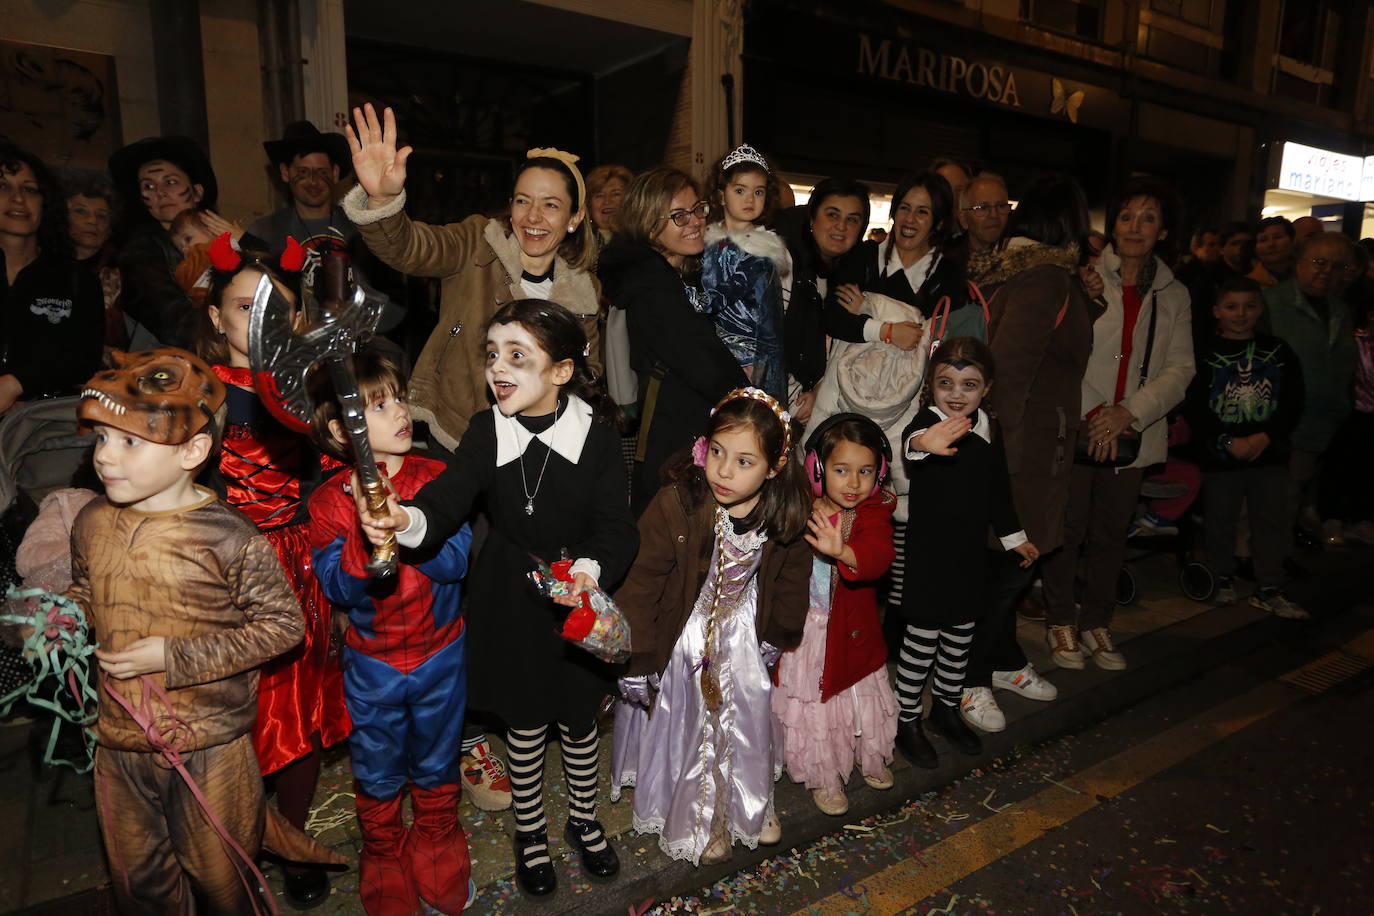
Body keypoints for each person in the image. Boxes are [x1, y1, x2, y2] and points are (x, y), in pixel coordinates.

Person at [354, 299, 638, 899]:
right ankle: (530, 831)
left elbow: (618, 527)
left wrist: (590, 570)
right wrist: (403, 518)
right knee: (526, 723)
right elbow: (448, 498)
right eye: (492, 355)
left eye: (518, 356)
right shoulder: (488, 430)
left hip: (575, 601)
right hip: (510, 598)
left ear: (561, 371)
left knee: (580, 719)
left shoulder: (600, 436)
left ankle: (584, 821)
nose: (498, 369)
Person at [69, 347, 343, 913]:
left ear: (193, 451)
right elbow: (84, 592)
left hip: (209, 747)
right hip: (118, 743)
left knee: (224, 882)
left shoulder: (228, 537)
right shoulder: (92, 520)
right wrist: (59, 621)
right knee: (139, 887)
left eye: (129, 442)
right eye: (101, 439)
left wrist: (175, 656)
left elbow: (281, 628)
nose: (104, 457)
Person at [196, 246, 351, 908]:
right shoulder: (193, 390)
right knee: (226, 713)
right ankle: (230, 836)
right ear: (214, 316)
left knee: (298, 708)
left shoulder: (307, 391)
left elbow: (330, 480)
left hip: (294, 562)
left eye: (276, 311)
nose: (259, 322)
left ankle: (289, 834)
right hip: (218, 568)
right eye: (243, 306)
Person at [611, 387, 811, 864]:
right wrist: (638, 656)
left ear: (775, 466)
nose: (723, 470)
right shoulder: (678, 502)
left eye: (745, 461)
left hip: (741, 627)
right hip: (685, 630)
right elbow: (641, 582)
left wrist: (777, 635)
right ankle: (699, 815)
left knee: (748, 712)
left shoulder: (783, 512)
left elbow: (792, 580)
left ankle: (748, 802)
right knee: (692, 723)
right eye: (718, 452)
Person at [308, 350, 476, 914]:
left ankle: (436, 837)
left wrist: (403, 521)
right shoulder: (331, 499)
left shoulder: (439, 478)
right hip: (372, 664)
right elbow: (338, 587)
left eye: (398, 398)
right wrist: (363, 532)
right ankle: (382, 850)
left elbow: (455, 562)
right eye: (379, 406)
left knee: (437, 755)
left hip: (440, 654)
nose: (401, 412)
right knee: (377, 765)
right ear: (341, 429)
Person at [342, 103, 601, 452]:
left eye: (551, 205)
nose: (533, 216)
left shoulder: (583, 292)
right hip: (458, 433)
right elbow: (408, 248)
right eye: (523, 201)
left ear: (575, 217)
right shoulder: (475, 243)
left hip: (540, 445)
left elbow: (588, 372)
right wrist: (382, 200)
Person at [960, 174, 1095, 732]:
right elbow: (1008, 374)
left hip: (1028, 447)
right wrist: (995, 462)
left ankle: (1004, 659)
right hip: (1024, 453)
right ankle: (967, 678)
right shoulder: (1044, 279)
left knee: (1010, 566)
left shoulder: (1025, 275)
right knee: (1011, 566)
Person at [1043, 177, 1194, 672]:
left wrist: (1127, 413)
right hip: (1081, 423)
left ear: (1163, 231)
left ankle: (1096, 622)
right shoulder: (1082, 276)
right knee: (1066, 527)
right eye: (1127, 216)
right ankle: (1061, 618)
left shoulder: (1175, 293)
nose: (1135, 227)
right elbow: (1063, 355)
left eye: (1148, 218)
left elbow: (1182, 368)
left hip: (1136, 432)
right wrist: (1095, 415)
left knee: (1112, 532)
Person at [895, 338, 1039, 764]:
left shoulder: (987, 430)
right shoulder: (929, 422)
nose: (956, 394)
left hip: (969, 557)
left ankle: (945, 708)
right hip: (927, 557)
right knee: (921, 640)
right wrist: (925, 444)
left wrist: (1016, 538)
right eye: (946, 383)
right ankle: (906, 719)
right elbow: (911, 442)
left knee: (959, 638)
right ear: (932, 385)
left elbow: (1000, 494)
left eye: (969, 384)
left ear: (987, 388)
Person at [597, 167, 748, 513]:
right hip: (674, 441)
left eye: (697, 209)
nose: (694, 221)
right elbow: (705, 364)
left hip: (691, 434)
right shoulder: (653, 288)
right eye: (678, 216)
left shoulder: (685, 273)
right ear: (650, 225)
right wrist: (752, 402)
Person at [773, 412, 897, 816]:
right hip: (806, 630)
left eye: (865, 471)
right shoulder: (800, 506)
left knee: (859, 699)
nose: (854, 482)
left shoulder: (873, 512)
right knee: (815, 705)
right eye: (841, 470)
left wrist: (843, 550)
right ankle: (824, 773)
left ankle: (868, 754)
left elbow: (878, 558)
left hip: (850, 630)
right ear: (816, 468)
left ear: (878, 476)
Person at [1185, 276, 1306, 617]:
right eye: (1231, 306)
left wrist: (1265, 436)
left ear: (1261, 308)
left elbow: (1293, 401)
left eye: (1250, 306)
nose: (1240, 314)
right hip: (1220, 456)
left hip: (1269, 454)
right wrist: (1226, 440)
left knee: (1271, 519)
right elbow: (1195, 406)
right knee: (1220, 518)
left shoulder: (1279, 351)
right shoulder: (1203, 353)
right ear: (1216, 310)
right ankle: (1221, 576)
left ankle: (1269, 585)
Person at [1263, 231, 1358, 546]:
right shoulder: (1271, 303)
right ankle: (1262, 562)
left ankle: (1276, 557)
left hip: (1323, 425)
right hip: (1280, 425)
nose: (1326, 271)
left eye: (1336, 265)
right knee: (1275, 498)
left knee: (1296, 496)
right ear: (1298, 262)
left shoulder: (1339, 310)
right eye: (1318, 261)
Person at [0, 143, 103, 414]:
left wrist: (16, 383)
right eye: (4, 187)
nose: (18, 199)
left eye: (29, 189)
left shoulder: (77, 279)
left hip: (44, 429)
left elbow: (84, 358)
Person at [108, 135, 238, 347]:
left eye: (171, 182)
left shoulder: (228, 237)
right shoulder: (140, 252)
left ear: (197, 191)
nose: (160, 193)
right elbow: (174, 321)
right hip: (172, 369)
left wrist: (248, 244)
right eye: (148, 187)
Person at [773, 177, 875, 425]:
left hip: (810, 405)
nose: (841, 227)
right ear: (811, 218)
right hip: (776, 406)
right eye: (832, 215)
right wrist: (799, 402)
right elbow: (768, 345)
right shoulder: (784, 264)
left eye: (852, 219)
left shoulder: (848, 276)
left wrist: (819, 391)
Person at [701, 143, 791, 402]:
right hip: (710, 353)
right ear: (721, 195)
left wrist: (759, 365)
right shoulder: (704, 242)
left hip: (751, 358)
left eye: (758, 191)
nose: (750, 199)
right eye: (740, 190)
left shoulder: (763, 249)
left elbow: (769, 319)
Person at [65, 178, 128, 345]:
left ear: (109, 229)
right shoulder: (42, 265)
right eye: (80, 212)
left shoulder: (124, 270)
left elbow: (124, 330)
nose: (92, 221)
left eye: (101, 216)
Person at [958, 172, 1012, 257]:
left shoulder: (1023, 254)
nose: (994, 215)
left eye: (1001, 206)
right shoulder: (945, 261)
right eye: (983, 207)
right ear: (963, 219)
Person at [586, 164, 633, 242]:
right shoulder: (578, 246)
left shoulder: (643, 243)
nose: (607, 201)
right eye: (599, 195)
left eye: (616, 194)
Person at [1249, 216, 1296, 289]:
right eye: (1263, 240)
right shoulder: (1250, 283)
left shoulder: (1306, 276)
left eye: (1278, 237)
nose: (1271, 244)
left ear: (1292, 240)